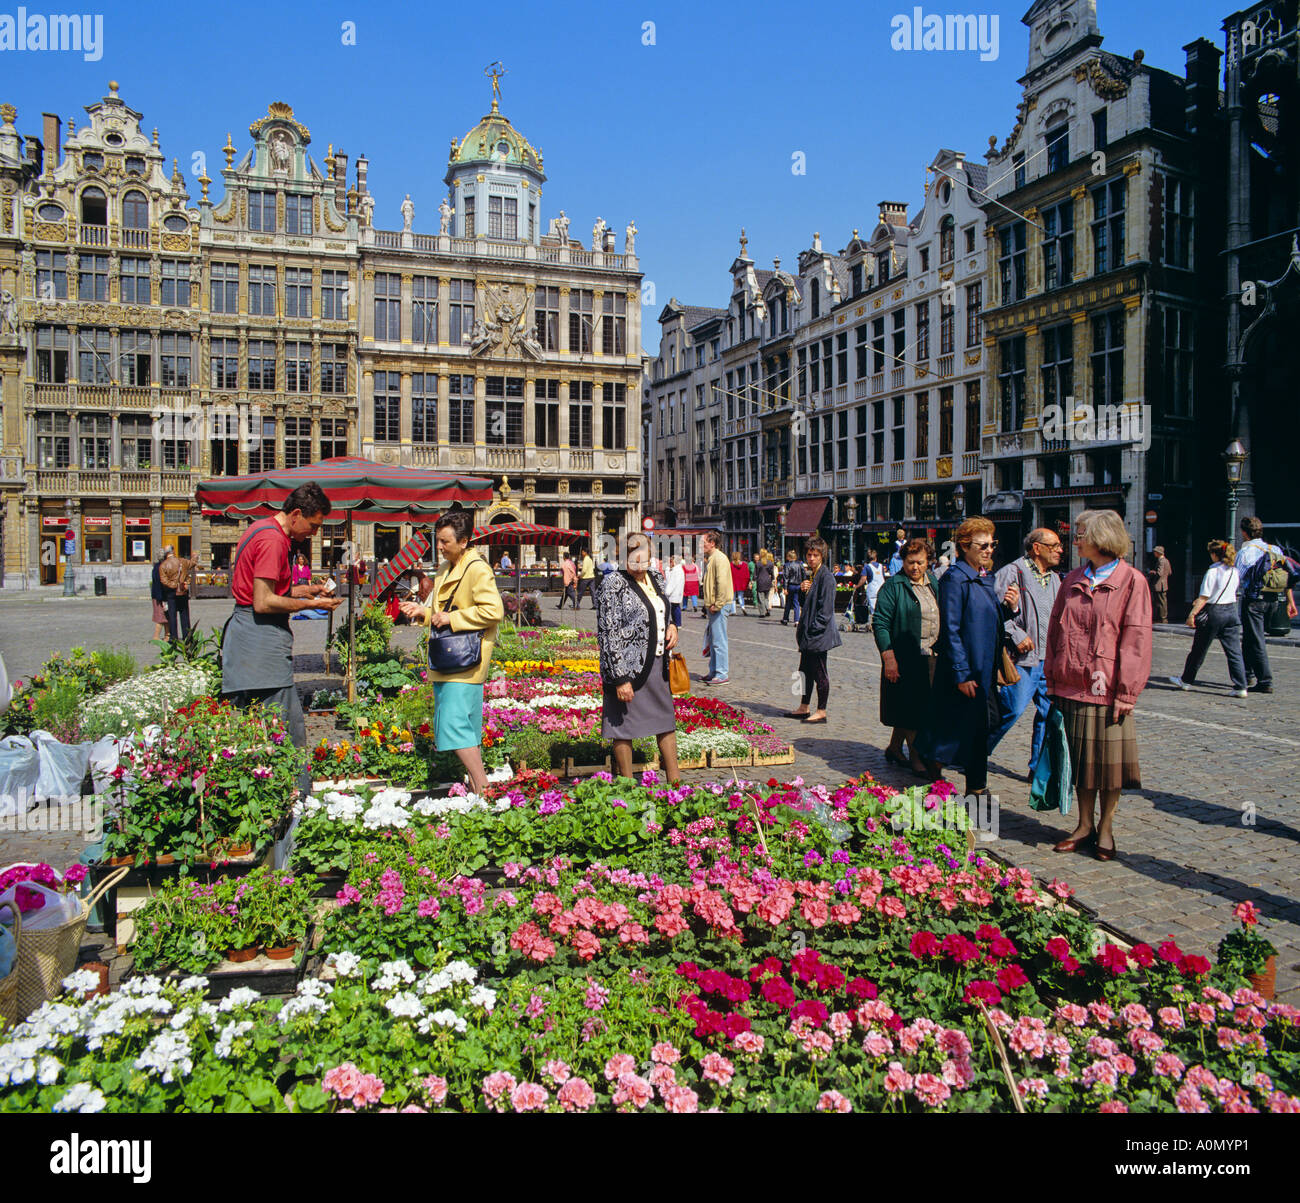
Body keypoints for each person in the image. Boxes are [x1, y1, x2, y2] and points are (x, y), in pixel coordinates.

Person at [220, 483, 343, 798]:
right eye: (313, 525)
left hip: (248, 638)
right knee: (285, 730)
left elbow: (269, 590)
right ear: (296, 514)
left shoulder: (259, 528)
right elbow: (262, 601)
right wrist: (312, 605)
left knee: (261, 728)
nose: (314, 533)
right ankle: (294, 803)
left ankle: (269, 798)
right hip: (260, 641)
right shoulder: (274, 541)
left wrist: (306, 590)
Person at [1044, 509, 1152, 861]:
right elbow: (1055, 631)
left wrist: (1127, 692)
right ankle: (1084, 824)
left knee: (1108, 767)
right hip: (1071, 685)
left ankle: (1105, 828)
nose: (1074, 539)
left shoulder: (1132, 581)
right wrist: (1052, 676)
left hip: (1107, 691)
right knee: (1081, 765)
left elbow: (1136, 640)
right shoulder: (1072, 578)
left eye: (1080, 533)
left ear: (1101, 537)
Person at [399, 509, 505, 797]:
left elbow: (494, 611)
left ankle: (483, 786)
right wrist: (421, 611)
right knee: (465, 726)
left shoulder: (477, 568)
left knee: (453, 724)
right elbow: (439, 610)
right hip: (449, 658)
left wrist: (452, 620)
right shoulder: (447, 568)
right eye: (439, 540)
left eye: (445, 541)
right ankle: (474, 785)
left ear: (464, 541)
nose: (440, 547)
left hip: (466, 660)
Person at [918, 517, 1020, 797]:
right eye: (983, 545)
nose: (989, 550)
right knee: (961, 730)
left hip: (983, 669)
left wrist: (1009, 609)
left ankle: (972, 784)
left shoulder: (985, 577)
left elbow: (988, 620)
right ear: (965, 546)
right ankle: (958, 780)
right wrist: (962, 673)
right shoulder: (955, 579)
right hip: (964, 672)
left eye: (992, 544)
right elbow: (951, 629)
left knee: (980, 728)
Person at [595, 533, 681, 780]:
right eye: (635, 560)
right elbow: (607, 632)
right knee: (623, 727)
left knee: (666, 722)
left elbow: (663, 608)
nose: (640, 566)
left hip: (656, 665)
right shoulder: (612, 584)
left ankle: (675, 782)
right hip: (627, 668)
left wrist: (672, 625)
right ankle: (627, 784)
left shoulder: (655, 577)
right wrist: (619, 677)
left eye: (645, 559)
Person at [987, 528, 1064, 776]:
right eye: (1054, 546)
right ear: (1037, 548)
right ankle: (974, 752)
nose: (1060, 550)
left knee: (1048, 715)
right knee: (1011, 710)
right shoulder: (1013, 572)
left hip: (1048, 660)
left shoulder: (1055, 579)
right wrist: (1016, 635)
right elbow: (992, 611)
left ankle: (1037, 769)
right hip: (1022, 660)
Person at [874, 538, 941, 774]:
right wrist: (888, 656)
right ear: (902, 562)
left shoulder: (933, 582)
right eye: (910, 562)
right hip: (905, 656)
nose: (915, 568)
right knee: (912, 709)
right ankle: (917, 757)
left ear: (928, 562)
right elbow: (881, 622)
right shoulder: (894, 586)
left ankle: (894, 747)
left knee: (919, 706)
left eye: (920, 563)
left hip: (931, 654)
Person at [1170, 540, 1247, 697]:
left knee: (1198, 649)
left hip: (1214, 612)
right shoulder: (1234, 571)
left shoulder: (1212, 572)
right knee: (1234, 652)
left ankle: (1186, 681)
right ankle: (1241, 686)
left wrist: (1192, 614)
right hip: (1231, 611)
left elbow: (1204, 597)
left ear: (1214, 554)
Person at [1236, 516, 1299, 694]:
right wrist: (1290, 602)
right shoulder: (1275, 549)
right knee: (1250, 637)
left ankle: (1265, 680)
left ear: (1244, 532)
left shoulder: (1245, 553)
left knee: (1256, 640)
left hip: (1253, 601)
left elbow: (1237, 578)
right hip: (1273, 600)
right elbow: (1287, 577)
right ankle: (1247, 674)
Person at [789, 536, 841, 723]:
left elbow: (825, 612)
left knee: (820, 672)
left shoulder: (826, 578)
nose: (811, 558)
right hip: (808, 634)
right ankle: (804, 706)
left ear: (822, 556)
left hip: (818, 635)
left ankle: (821, 710)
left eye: (815, 555)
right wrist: (804, 591)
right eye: (809, 555)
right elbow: (807, 605)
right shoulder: (812, 575)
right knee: (804, 671)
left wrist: (812, 631)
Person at [699, 531, 735, 685]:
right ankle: (714, 670)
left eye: (703, 542)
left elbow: (722, 583)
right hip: (713, 605)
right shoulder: (712, 558)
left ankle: (721, 673)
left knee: (719, 641)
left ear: (712, 543)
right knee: (713, 640)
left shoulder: (719, 559)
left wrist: (718, 604)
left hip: (718, 606)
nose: (701, 545)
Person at [162, 549, 201, 642]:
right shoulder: (182, 561)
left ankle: (173, 637)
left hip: (171, 592)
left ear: (166, 554)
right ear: (173, 553)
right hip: (182, 590)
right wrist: (195, 556)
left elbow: (163, 580)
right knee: (184, 614)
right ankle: (187, 635)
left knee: (172, 616)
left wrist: (172, 585)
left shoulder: (164, 565)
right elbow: (192, 563)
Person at [1146, 546, 1172, 624]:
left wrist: (1153, 572)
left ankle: (1162, 618)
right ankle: (1162, 618)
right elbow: (1170, 572)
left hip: (1159, 585)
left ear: (1158, 553)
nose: (1154, 553)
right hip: (1164, 584)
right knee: (1162, 602)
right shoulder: (1166, 561)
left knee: (1159, 602)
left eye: (1155, 552)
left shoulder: (1161, 561)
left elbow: (1159, 573)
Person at [780, 550, 805, 625]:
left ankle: (785, 619)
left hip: (790, 585)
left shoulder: (787, 565)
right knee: (796, 603)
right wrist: (803, 583)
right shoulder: (800, 564)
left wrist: (785, 588)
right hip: (798, 585)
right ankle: (796, 620)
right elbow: (804, 574)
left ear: (789, 557)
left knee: (788, 603)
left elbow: (785, 577)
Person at [150, 548, 170, 642]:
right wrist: (162, 599)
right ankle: (156, 636)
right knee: (161, 617)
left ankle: (167, 635)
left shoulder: (156, 566)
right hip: (160, 596)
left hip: (157, 595)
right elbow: (160, 584)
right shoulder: (161, 567)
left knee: (166, 616)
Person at [664, 554, 685, 628]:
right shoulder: (676, 569)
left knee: (675, 608)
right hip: (676, 592)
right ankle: (676, 622)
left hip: (674, 592)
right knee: (674, 607)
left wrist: (667, 591)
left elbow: (672, 582)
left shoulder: (676, 570)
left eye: (671, 561)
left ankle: (677, 623)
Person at [755, 552, 774, 619]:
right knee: (766, 598)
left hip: (760, 582)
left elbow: (755, 574)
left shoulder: (758, 563)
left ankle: (762, 612)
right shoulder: (770, 563)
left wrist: (754, 580)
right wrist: (771, 580)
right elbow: (772, 574)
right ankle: (767, 609)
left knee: (760, 598)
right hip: (767, 581)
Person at [730, 552, 750, 616]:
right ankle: (743, 607)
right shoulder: (744, 564)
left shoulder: (730, 565)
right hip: (741, 583)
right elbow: (747, 574)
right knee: (741, 596)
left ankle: (733, 611)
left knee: (732, 598)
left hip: (732, 583)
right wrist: (746, 582)